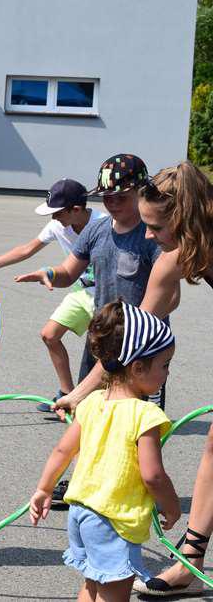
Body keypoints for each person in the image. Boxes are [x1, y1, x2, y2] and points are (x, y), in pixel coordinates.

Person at [30, 302, 179, 602]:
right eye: (164, 365)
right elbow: (153, 475)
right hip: (114, 519)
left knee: (92, 584)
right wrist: (172, 505)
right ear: (138, 367)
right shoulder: (145, 414)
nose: (167, 373)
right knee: (113, 593)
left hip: (81, 513)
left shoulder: (92, 401)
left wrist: (44, 489)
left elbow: (62, 450)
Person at [123, 161, 213, 596]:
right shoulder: (172, 259)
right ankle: (190, 564)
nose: (147, 235)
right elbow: (135, 337)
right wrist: (82, 394)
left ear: (185, 218)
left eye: (156, 226)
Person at [15, 155, 163, 408]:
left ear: (141, 192)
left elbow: (166, 293)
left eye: (120, 197)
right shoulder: (96, 230)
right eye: (107, 197)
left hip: (143, 344)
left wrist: (138, 332)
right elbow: (68, 272)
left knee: (136, 419)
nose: (112, 203)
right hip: (103, 334)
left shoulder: (153, 235)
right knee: (88, 411)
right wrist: (49, 274)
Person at [0, 179, 107, 411]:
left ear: (75, 210)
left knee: (104, 352)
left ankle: (102, 404)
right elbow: (27, 249)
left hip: (107, 296)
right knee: (49, 335)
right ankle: (66, 394)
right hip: (82, 291)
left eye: (57, 213)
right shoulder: (58, 226)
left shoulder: (103, 224)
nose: (53, 218)